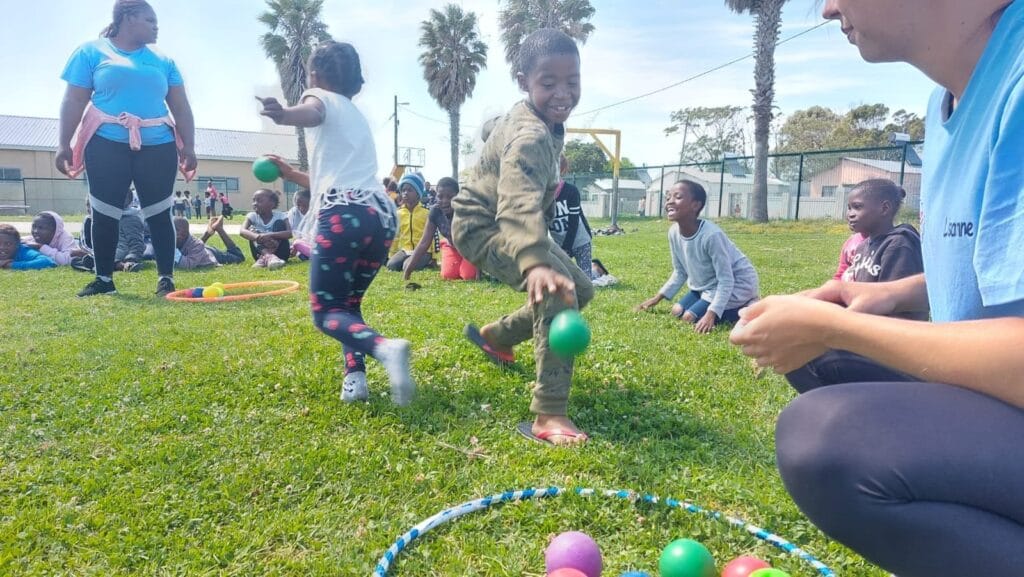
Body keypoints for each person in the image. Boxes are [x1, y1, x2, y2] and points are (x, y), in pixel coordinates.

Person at [729, 1, 1024, 575]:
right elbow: (994, 272)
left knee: (827, 439)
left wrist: (835, 324)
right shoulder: (948, 105)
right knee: (821, 360)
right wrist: (887, 296)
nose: (827, 6)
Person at [452, 29, 594, 446]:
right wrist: (534, 262)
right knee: (558, 294)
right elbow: (514, 203)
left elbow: (496, 127)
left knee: (580, 289)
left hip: (511, 223)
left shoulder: (540, 122)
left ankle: (495, 337)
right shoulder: (531, 137)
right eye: (548, 83)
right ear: (524, 80)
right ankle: (549, 414)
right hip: (486, 227)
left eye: (572, 81)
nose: (562, 93)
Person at [256, 40, 414, 406]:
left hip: (344, 216)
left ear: (314, 75)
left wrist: (283, 115)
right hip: (378, 217)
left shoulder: (319, 97)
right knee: (347, 305)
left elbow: (310, 112)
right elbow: (333, 179)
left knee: (326, 312)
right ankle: (355, 379)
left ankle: (384, 349)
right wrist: (291, 173)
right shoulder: (355, 117)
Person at [55, 0, 196, 297]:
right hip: (106, 142)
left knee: (159, 213)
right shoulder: (91, 52)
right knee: (104, 212)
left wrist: (190, 147)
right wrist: (63, 144)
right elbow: (73, 101)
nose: (156, 26)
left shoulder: (163, 61)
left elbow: (181, 108)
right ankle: (104, 280)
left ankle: (165, 279)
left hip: (157, 143)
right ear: (128, 18)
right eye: (150, 19)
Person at [636, 180, 759, 333]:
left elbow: (726, 279)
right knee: (676, 311)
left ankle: (748, 306)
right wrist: (657, 298)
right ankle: (714, 305)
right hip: (707, 287)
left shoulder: (711, 235)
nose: (670, 202)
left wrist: (711, 314)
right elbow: (680, 271)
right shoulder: (673, 232)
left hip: (738, 285)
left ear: (695, 205)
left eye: (678, 197)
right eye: (668, 197)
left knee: (689, 317)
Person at [403, 176, 478, 282]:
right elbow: (424, 242)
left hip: (472, 249)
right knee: (448, 275)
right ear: (436, 196)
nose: (445, 201)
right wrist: (409, 269)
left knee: (468, 276)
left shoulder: (466, 211)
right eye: (440, 196)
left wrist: (478, 270)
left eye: (450, 197)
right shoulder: (435, 212)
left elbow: (479, 240)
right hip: (452, 246)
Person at [548, 155, 594, 280]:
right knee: (559, 279)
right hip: (558, 243)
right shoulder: (541, 195)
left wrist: (566, 248)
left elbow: (574, 223)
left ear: (562, 170)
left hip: (580, 241)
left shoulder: (571, 191)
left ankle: (597, 271)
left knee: (585, 281)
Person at [386, 172, 435, 272]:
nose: (405, 193)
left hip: (423, 251)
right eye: (403, 190)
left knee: (406, 266)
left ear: (418, 194)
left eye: (409, 190)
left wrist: (435, 257)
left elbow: (434, 236)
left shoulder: (427, 212)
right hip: (406, 250)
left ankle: (426, 261)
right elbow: (396, 236)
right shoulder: (399, 213)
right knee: (391, 265)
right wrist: (392, 254)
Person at [239, 188, 290, 269]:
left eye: (259, 201)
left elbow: (289, 233)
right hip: (260, 252)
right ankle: (268, 256)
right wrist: (258, 237)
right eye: (254, 200)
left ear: (272, 204)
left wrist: (270, 235)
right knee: (251, 231)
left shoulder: (281, 215)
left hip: (281, 253)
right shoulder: (252, 216)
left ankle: (266, 258)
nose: (255, 203)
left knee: (279, 223)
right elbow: (242, 231)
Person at [173, 216, 245, 269]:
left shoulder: (196, 244)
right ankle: (208, 232)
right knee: (197, 245)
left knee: (239, 257)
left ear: (185, 233)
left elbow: (188, 264)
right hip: (201, 250)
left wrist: (172, 250)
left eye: (176, 230)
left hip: (212, 255)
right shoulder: (178, 239)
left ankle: (219, 228)